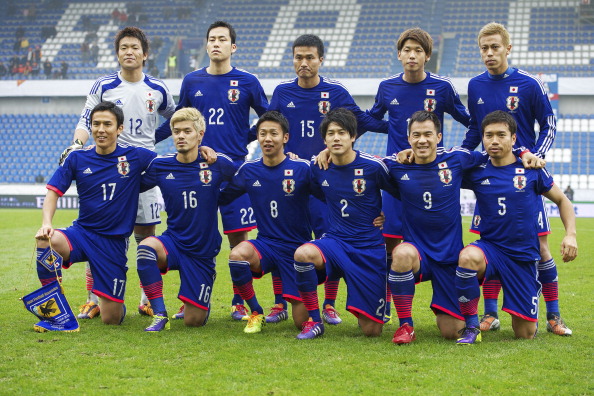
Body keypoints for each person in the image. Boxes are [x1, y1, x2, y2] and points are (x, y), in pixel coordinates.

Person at [384, 110, 542, 344]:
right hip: (419, 254)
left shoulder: (457, 159)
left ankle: (470, 320)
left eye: (428, 134)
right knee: (401, 252)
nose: (422, 140)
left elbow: (494, 152)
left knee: (451, 331)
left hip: (450, 259)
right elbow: (361, 169)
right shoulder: (396, 166)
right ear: (408, 139)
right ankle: (406, 325)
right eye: (416, 135)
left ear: (439, 137)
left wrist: (524, 151)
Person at [268, 34, 389, 324]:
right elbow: (268, 127)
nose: (304, 63)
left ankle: (330, 304)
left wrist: (400, 127)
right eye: (299, 57)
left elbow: (362, 121)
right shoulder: (282, 92)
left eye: (310, 57)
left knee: (329, 235)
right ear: (293, 59)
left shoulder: (335, 92)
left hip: (328, 180)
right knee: (285, 239)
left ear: (321, 59)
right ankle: (278, 302)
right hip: (294, 181)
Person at [59, 27, 176, 321]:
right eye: (123, 47)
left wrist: (153, 138)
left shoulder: (158, 89)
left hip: (145, 169)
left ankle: (146, 298)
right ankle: (93, 298)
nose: (129, 52)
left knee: (145, 234)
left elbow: (174, 120)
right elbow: (87, 119)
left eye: (135, 47)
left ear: (145, 54)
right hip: (109, 171)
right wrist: (76, 144)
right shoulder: (104, 85)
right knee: (96, 233)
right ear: (118, 53)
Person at [460, 22, 568, 336]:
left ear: (508, 48)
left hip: (524, 177)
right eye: (484, 48)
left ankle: (554, 316)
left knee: (542, 248)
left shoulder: (530, 83)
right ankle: (490, 314)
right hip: (489, 176)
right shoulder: (476, 85)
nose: (490, 53)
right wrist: (460, 157)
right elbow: (472, 131)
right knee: (490, 240)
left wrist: (535, 156)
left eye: (495, 47)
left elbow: (549, 124)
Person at [156, 21, 268, 321]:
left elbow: (267, 119)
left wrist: (242, 139)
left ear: (233, 46)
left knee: (238, 238)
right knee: (190, 236)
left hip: (233, 169)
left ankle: (238, 301)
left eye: (222, 39)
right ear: (206, 46)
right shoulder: (192, 81)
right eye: (212, 39)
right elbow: (179, 119)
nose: (216, 43)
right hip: (196, 173)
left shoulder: (248, 81)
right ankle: (188, 298)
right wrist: (150, 139)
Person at [456, 110, 577, 344]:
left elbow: (563, 200)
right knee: (467, 257)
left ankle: (544, 312)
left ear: (513, 139)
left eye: (501, 135)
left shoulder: (531, 169)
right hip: (490, 248)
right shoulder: (476, 170)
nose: (494, 140)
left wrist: (570, 234)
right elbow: (437, 174)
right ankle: (472, 326)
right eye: (488, 135)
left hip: (522, 255)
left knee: (525, 333)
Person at [34, 101, 156, 331]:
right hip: (82, 234)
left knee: (111, 319)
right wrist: (46, 224)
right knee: (45, 240)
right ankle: (56, 311)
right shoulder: (77, 158)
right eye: (96, 124)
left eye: (107, 124)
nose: (101, 129)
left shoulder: (136, 156)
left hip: (113, 244)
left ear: (119, 128)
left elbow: (171, 163)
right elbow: (52, 192)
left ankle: (115, 305)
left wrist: (202, 151)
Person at [366, 28, 470, 290]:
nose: (412, 55)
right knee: (390, 241)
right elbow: (372, 118)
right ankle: (386, 304)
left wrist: (460, 150)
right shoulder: (387, 86)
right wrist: (392, 128)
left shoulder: (442, 87)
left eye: (418, 51)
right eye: (407, 50)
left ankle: (448, 291)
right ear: (399, 54)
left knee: (437, 236)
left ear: (427, 56)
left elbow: (471, 121)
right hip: (396, 177)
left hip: (432, 178)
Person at [293, 108, 399, 339]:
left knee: (372, 331)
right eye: (331, 133)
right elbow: (317, 192)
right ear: (324, 139)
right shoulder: (319, 167)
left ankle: (377, 298)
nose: (336, 138)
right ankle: (315, 319)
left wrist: (385, 215)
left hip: (368, 249)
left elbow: (400, 192)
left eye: (342, 132)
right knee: (303, 254)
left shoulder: (373, 166)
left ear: (353, 136)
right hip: (336, 242)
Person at [137, 107, 236, 332]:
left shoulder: (217, 164)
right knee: (145, 248)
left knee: (194, 322)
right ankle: (159, 314)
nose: (180, 136)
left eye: (187, 131)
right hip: (174, 241)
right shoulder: (161, 165)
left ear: (200, 134)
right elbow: (133, 185)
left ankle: (198, 297)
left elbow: (247, 177)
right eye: (176, 131)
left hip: (202, 252)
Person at [219, 111, 314, 333]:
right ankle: (256, 311)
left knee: (301, 322)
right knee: (237, 255)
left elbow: (330, 194)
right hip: (266, 245)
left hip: (297, 248)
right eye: (263, 134)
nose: (267, 138)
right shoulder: (249, 170)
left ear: (285, 138)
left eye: (273, 133)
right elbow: (221, 197)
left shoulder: (302, 169)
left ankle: (308, 302)